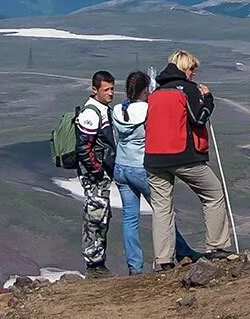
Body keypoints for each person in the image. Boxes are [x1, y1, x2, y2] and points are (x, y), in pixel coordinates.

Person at [144, 50, 235, 270]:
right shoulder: (188, 90)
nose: (194, 73)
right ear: (186, 67)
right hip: (183, 155)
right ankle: (218, 246)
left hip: (154, 159)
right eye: (193, 69)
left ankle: (163, 259)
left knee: (162, 208)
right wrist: (208, 99)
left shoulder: (155, 93)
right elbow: (199, 117)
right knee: (213, 193)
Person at [111, 69, 203, 272]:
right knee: (163, 211)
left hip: (121, 167)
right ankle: (180, 251)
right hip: (141, 166)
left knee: (130, 217)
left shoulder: (118, 110)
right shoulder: (148, 110)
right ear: (146, 90)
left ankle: (135, 266)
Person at [75, 70, 117, 274]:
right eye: (106, 89)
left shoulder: (103, 109)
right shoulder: (92, 113)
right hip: (94, 176)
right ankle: (93, 263)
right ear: (95, 89)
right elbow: (83, 147)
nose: (111, 93)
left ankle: (98, 260)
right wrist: (98, 170)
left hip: (101, 173)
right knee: (95, 216)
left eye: (112, 88)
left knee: (102, 216)